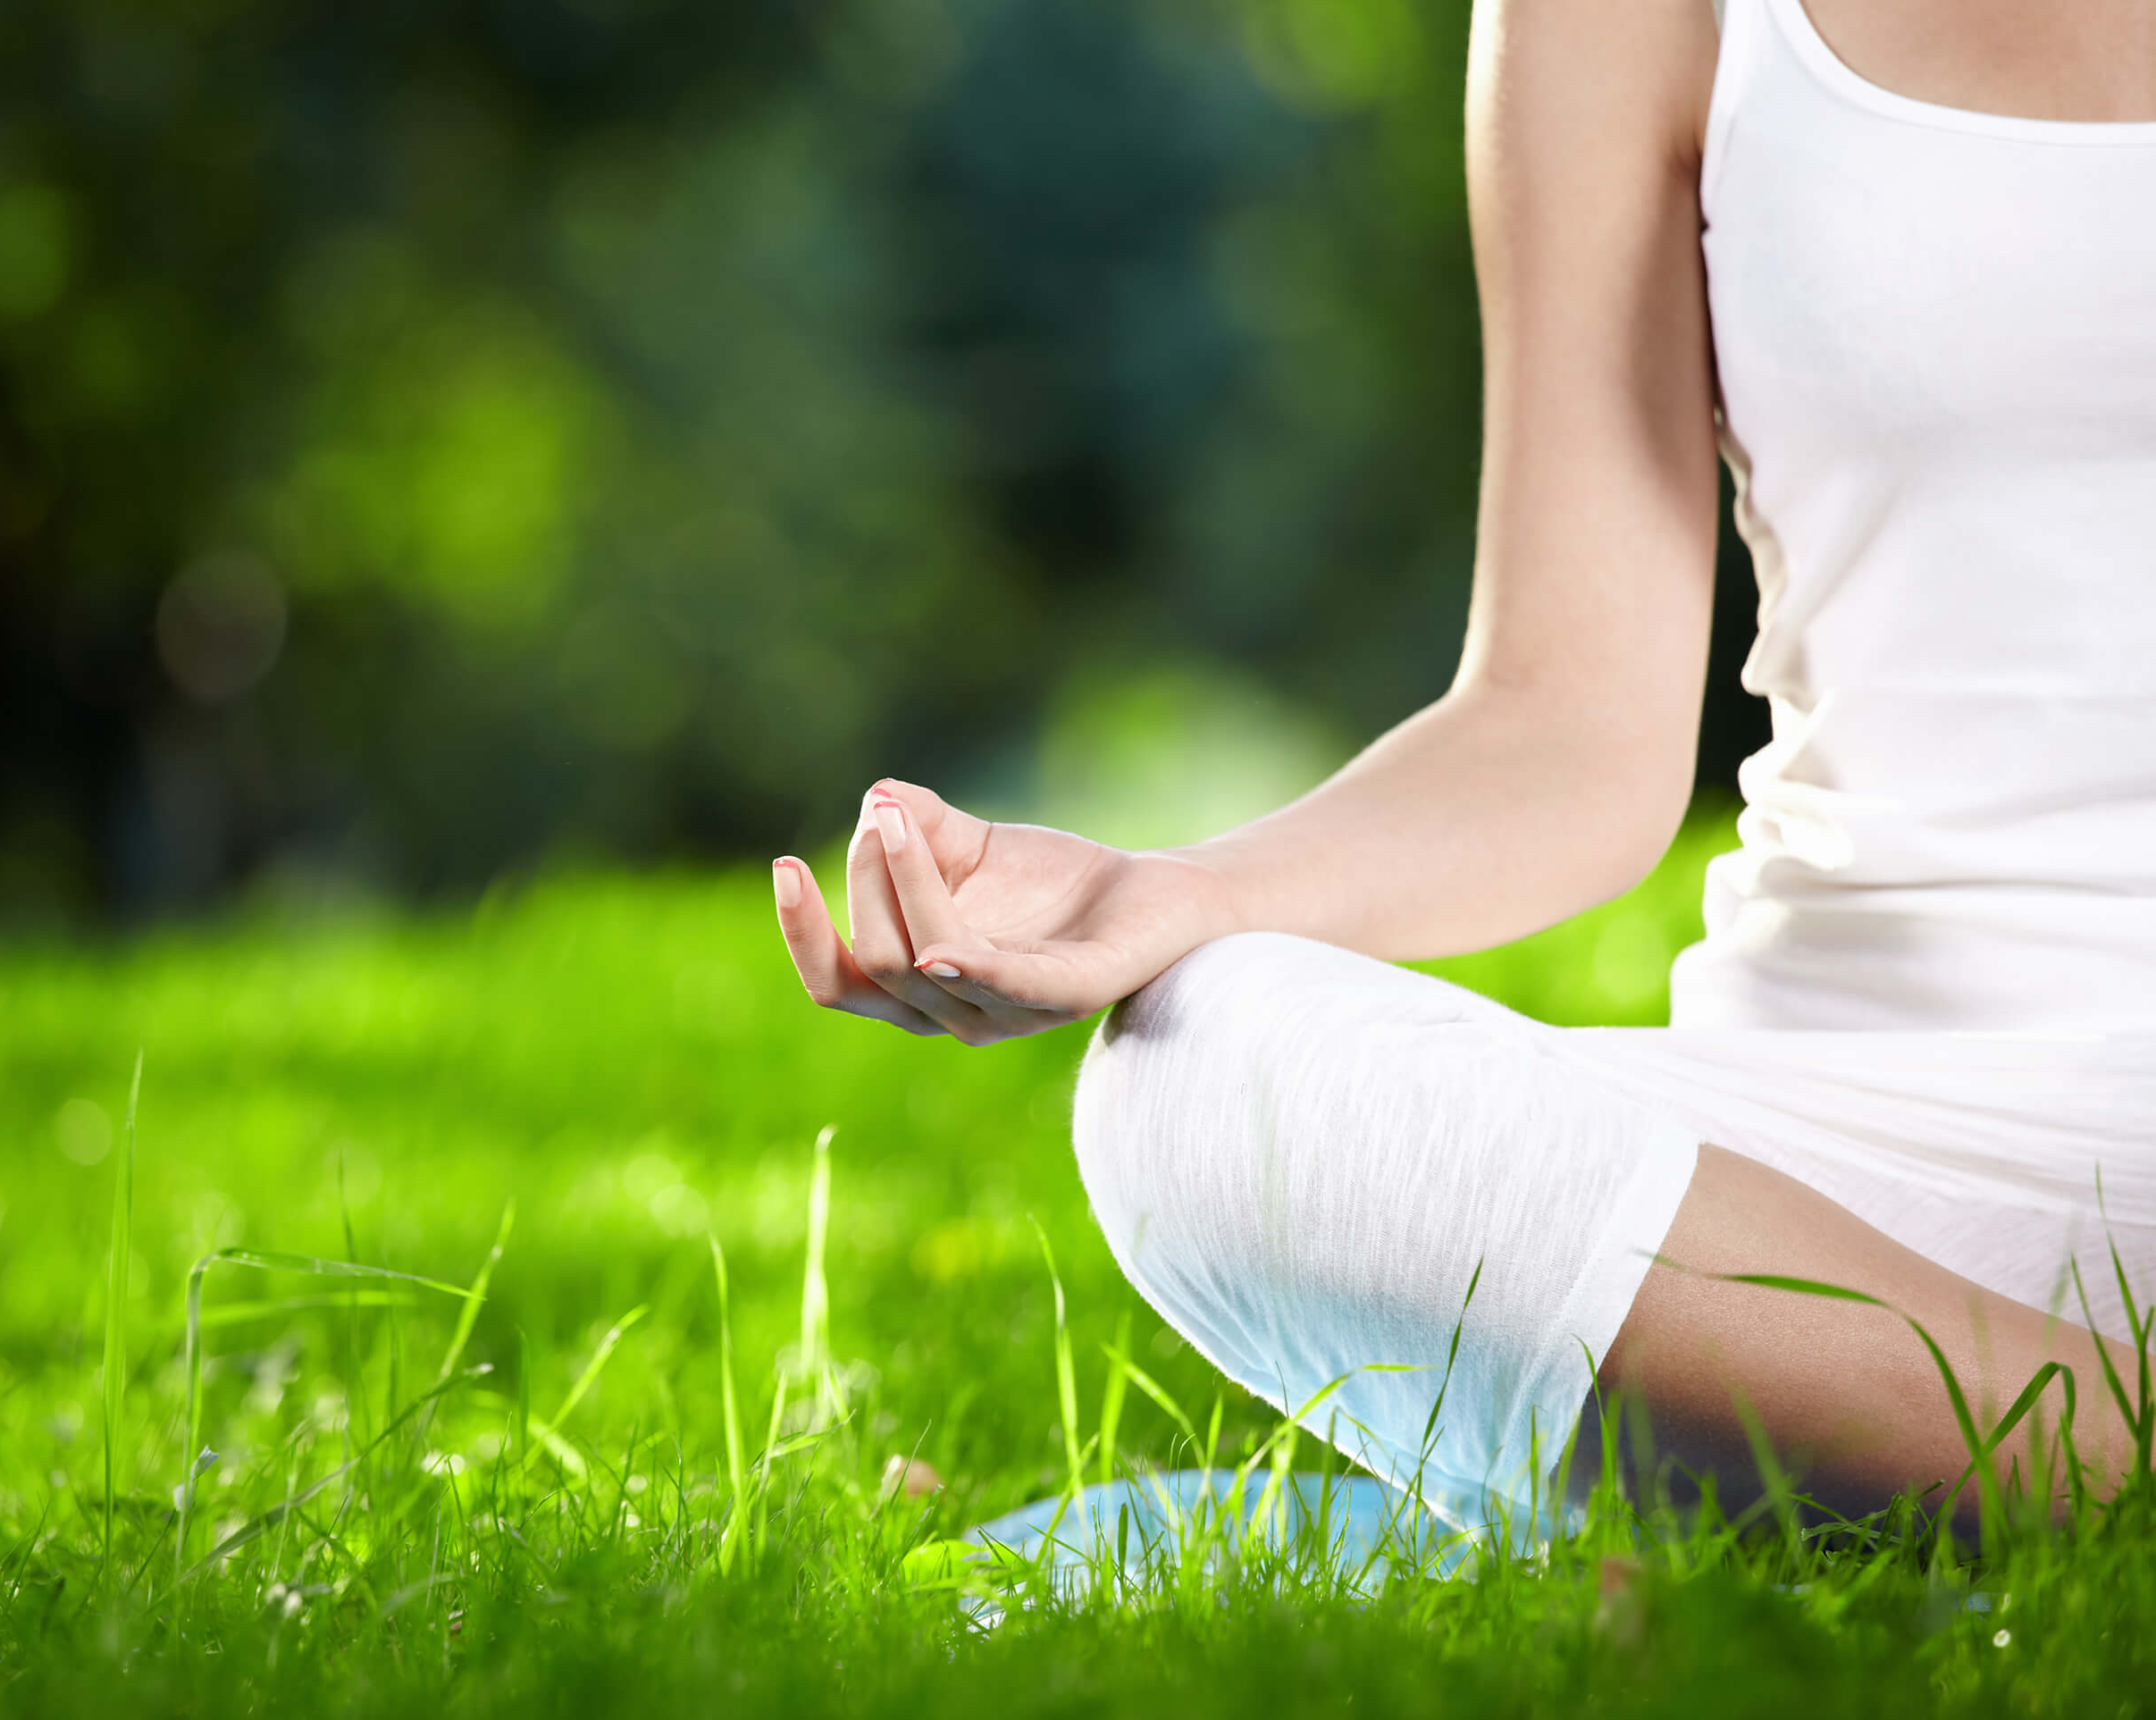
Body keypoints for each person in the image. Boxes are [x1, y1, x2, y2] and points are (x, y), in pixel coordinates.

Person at [769, 0, 2156, 1531]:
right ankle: (2021, 1466)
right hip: (1825, 1192)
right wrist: (1166, 898)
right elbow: (1565, 720)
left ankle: (1900, 1497)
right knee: (1204, 1071)